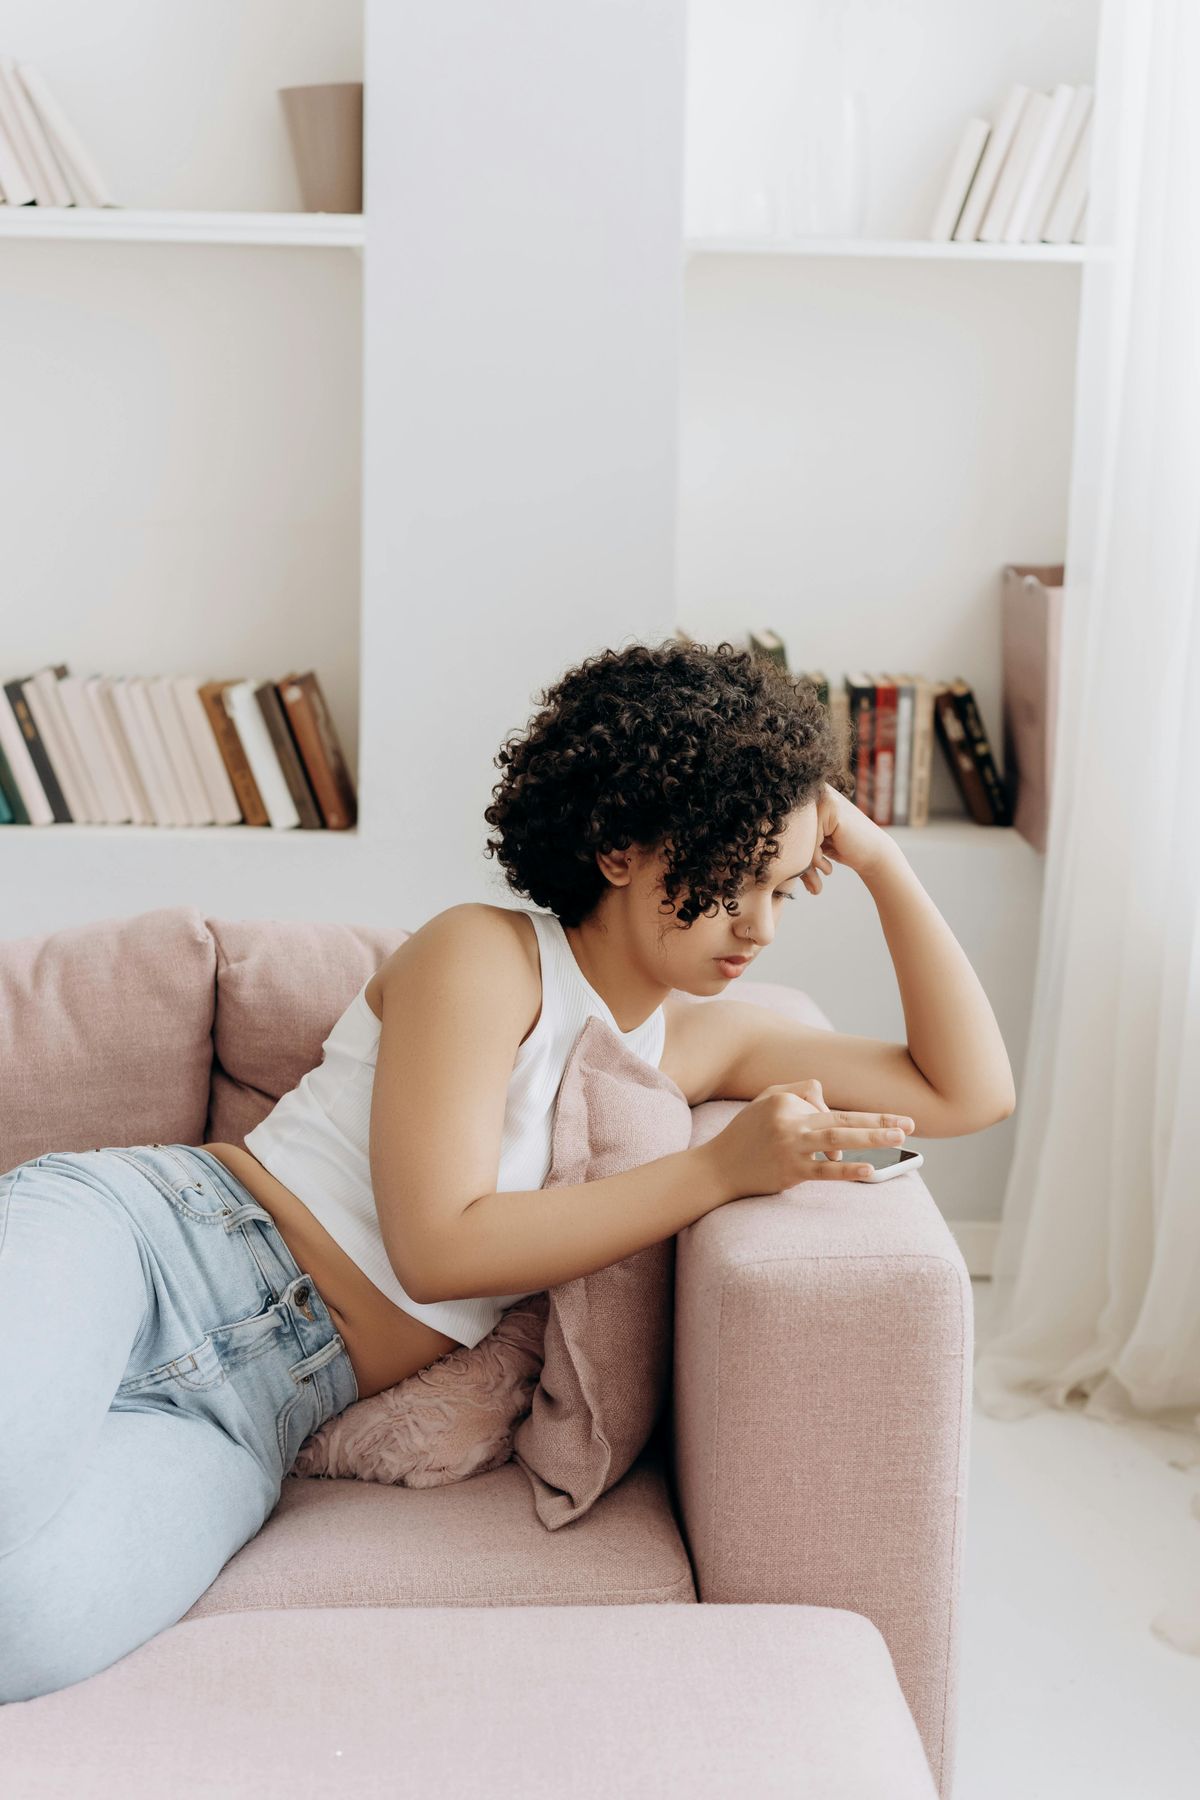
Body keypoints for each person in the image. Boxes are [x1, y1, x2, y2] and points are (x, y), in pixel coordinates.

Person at [0, 638, 1014, 1702]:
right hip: (153, 1244)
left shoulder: (701, 1043)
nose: (756, 927)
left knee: (25, 1637)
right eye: (728, 881)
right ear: (619, 848)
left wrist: (878, 859)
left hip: (255, 1411)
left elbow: (967, 1091)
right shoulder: (482, 955)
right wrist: (718, 1171)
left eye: (779, 888)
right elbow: (438, 1249)